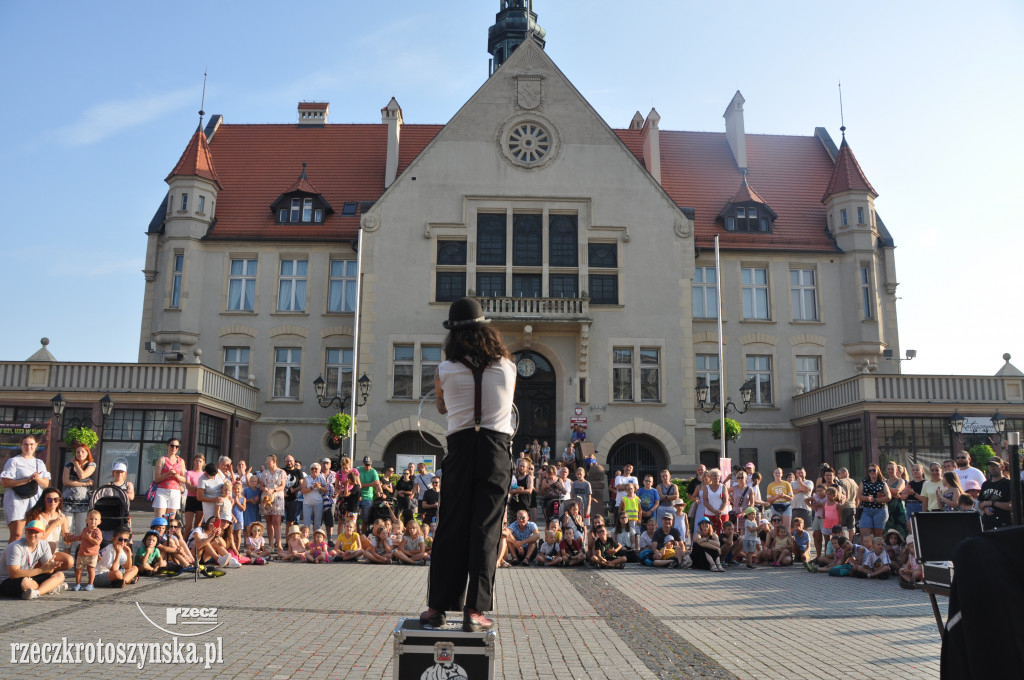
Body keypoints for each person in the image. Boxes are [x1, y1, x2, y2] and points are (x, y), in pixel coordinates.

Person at [421, 298, 516, 634]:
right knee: (486, 529)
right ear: (485, 329)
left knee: (451, 525)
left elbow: (443, 408)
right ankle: (474, 613)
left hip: (460, 447)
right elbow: (504, 405)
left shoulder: (444, 370)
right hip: (496, 449)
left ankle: (437, 608)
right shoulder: (508, 367)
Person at [1, 519, 67, 599]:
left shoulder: (44, 544)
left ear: (43, 534)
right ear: (25, 533)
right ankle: (49, 587)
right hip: (7, 580)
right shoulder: (15, 547)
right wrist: (41, 570)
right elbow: (14, 574)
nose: (32, 535)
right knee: (26, 583)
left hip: (29, 575)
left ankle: (36, 592)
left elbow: (49, 571)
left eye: (36, 532)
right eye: (30, 532)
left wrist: (52, 566)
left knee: (60, 575)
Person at [2, 434, 51, 542]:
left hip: (34, 501)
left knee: (34, 534)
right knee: (17, 535)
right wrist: (26, 480)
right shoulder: (14, 461)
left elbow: (45, 484)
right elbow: (5, 482)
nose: (29, 447)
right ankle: (12, 558)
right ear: (21, 445)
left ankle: (29, 558)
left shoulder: (39, 463)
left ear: (36, 445)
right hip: (16, 501)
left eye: (31, 444)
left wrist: (37, 478)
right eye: (26, 444)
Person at [24, 488, 74, 571]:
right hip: (37, 551)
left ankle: (50, 572)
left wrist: (70, 538)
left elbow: (66, 542)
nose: (53, 502)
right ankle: (40, 571)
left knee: (69, 561)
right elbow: (38, 538)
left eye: (56, 499)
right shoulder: (37, 516)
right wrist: (53, 524)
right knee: (50, 545)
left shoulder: (62, 516)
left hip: (53, 552)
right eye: (49, 500)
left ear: (59, 501)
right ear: (44, 501)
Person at [61, 444, 96, 535]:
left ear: (87, 453)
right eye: (77, 452)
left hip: (82, 502)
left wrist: (76, 464)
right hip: (68, 502)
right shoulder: (68, 465)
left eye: (82, 452)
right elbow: (65, 482)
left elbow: (82, 475)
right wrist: (84, 483)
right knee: (67, 530)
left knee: (80, 530)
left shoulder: (91, 465)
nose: (80, 454)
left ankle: (77, 548)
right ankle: (67, 548)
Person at [65, 509, 103, 590]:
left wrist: (89, 537)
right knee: (78, 570)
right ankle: (78, 584)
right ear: (86, 520)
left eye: (96, 519)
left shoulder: (98, 532)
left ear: (99, 522)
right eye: (91, 519)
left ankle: (90, 584)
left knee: (91, 569)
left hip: (92, 554)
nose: (93, 521)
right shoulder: (85, 530)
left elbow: (97, 542)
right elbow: (81, 537)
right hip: (82, 553)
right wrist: (74, 538)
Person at [152, 437, 186, 520]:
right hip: (162, 491)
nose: (174, 448)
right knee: (161, 519)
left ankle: (169, 533)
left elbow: (184, 479)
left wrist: (176, 476)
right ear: (167, 446)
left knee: (171, 519)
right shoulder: (162, 459)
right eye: (172, 446)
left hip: (175, 493)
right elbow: (157, 479)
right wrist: (168, 474)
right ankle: (158, 533)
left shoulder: (181, 461)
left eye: (177, 447)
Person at [260, 455, 287, 551]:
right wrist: (265, 489)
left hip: (277, 497)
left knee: (277, 521)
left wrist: (273, 490)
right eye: (266, 461)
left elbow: (282, 486)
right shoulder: (265, 473)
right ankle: (271, 544)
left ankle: (279, 544)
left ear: (274, 461)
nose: (267, 462)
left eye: (268, 461)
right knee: (268, 521)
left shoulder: (281, 472)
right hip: (267, 497)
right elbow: (261, 486)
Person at [858, 464, 891, 540]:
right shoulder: (864, 482)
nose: (871, 472)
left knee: (877, 536)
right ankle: (867, 551)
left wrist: (875, 500)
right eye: (870, 471)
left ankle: (876, 551)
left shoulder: (883, 483)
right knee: (865, 535)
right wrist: (867, 498)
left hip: (880, 510)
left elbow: (888, 497)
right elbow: (859, 496)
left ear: (878, 471)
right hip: (866, 510)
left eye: (873, 470)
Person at [979, 457, 1012, 530]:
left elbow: (1011, 505)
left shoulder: (1008, 483)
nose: (992, 468)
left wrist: (992, 503)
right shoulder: (985, 484)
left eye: (995, 466)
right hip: (988, 522)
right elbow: (980, 502)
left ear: (1002, 467)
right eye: (990, 466)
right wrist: (985, 508)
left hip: (1003, 522)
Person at [183, 454, 206, 536]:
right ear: (194, 462)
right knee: (188, 526)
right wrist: (200, 488)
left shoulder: (205, 474)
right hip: (190, 499)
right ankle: (184, 543)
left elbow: (206, 488)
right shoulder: (189, 473)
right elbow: (188, 486)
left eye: (200, 461)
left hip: (200, 500)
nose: (198, 463)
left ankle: (194, 544)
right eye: (196, 461)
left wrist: (195, 488)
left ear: (203, 463)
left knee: (197, 526)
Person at [835, 468, 859, 537]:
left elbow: (839, 494)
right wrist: (857, 505)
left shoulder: (841, 482)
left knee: (840, 526)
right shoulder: (853, 482)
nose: (838, 475)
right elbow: (858, 494)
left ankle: (842, 542)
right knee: (851, 527)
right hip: (853, 506)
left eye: (839, 473)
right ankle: (852, 542)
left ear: (844, 473)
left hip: (844, 506)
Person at [357, 457, 380, 528]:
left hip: (368, 497)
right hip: (357, 496)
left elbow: (377, 484)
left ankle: (363, 535)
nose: (368, 467)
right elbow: (358, 485)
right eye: (366, 465)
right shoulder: (358, 470)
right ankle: (357, 534)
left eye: (369, 465)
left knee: (366, 520)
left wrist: (380, 493)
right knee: (354, 519)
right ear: (363, 463)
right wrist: (370, 484)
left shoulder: (374, 472)